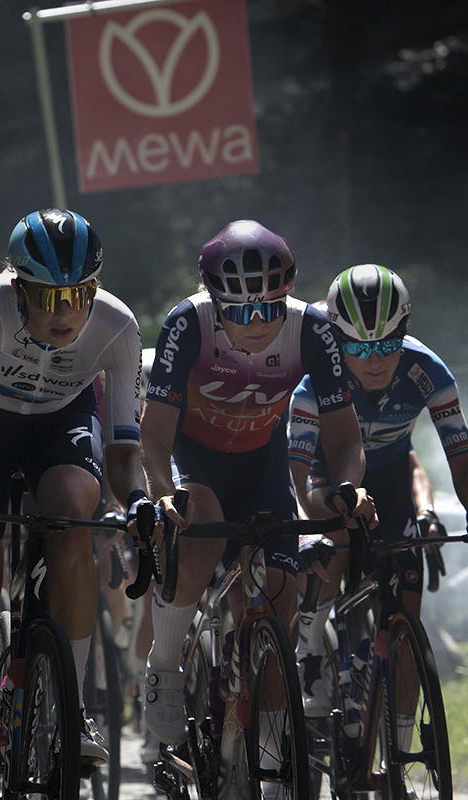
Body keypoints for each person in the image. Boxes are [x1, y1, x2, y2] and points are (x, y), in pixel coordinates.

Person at [0, 208, 150, 800]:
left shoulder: (119, 327)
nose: (65, 312)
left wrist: (142, 503)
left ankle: (73, 708)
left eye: (78, 295)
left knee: (74, 515)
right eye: (47, 298)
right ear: (18, 289)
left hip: (62, 427)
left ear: (95, 289)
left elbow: (127, 457)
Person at [139, 220, 375, 751]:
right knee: (200, 548)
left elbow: (344, 440)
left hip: (261, 463)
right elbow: (153, 434)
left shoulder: (311, 329)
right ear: (212, 299)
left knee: (279, 607)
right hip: (192, 457)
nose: (257, 323)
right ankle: (164, 667)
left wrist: (350, 487)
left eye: (269, 308)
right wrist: (160, 491)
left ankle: (272, 763)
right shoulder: (188, 323)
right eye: (241, 311)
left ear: (286, 297)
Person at [289, 265, 468, 717]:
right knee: (338, 539)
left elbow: (461, 463)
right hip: (325, 474)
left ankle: (401, 762)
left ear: (404, 333)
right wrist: (310, 529)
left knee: (408, 620)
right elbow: (294, 473)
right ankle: (310, 643)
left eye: (388, 344)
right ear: (337, 340)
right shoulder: (315, 380)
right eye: (359, 347)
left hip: (388, 481)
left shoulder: (428, 370)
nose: (375, 359)